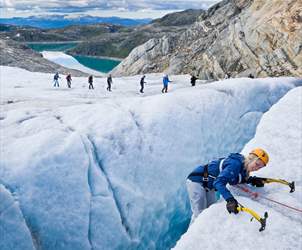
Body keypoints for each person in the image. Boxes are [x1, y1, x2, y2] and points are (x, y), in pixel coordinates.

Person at [186, 148, 269, 224]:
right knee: (199, 214)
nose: (257, 168)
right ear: (251, 159)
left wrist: (252, 180)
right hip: (196, 181)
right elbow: (218, 182)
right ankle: (192, 238)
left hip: (208, 186)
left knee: (209, 211)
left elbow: (235, 179)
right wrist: (230, 199)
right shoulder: (235, 164)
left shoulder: (244, 169)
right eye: (257, 164)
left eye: (260, 167)